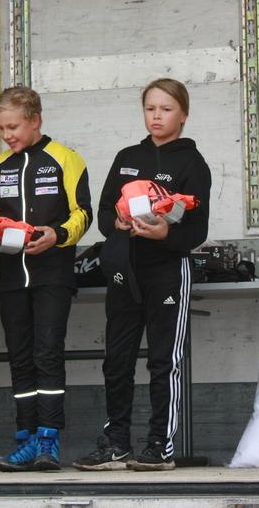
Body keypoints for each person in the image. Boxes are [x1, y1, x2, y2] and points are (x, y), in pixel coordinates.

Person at [73, 78, 211, 472]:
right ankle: (116, 444)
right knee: (116, 359)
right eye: (150, 109)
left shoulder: (192, 164)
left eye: (166, 109)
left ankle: (159, 446)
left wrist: (166, 233)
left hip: (166, 271)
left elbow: (197, 230)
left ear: (183, 115)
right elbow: (103, 213)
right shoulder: (127, 157)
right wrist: (116, 223)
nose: (157, 116)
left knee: (163, 360)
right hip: (124, 271)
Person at [0, 86, 92, 472]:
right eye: (1, 128)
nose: (7, 135)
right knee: (20, 358)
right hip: (12, 277)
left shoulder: (65, 158)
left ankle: (49, 439)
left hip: (52, 275)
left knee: (47, 354)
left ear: (35, 120)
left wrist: (57, 235)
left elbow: (83, 213)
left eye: (13, 127)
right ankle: (25, 439)